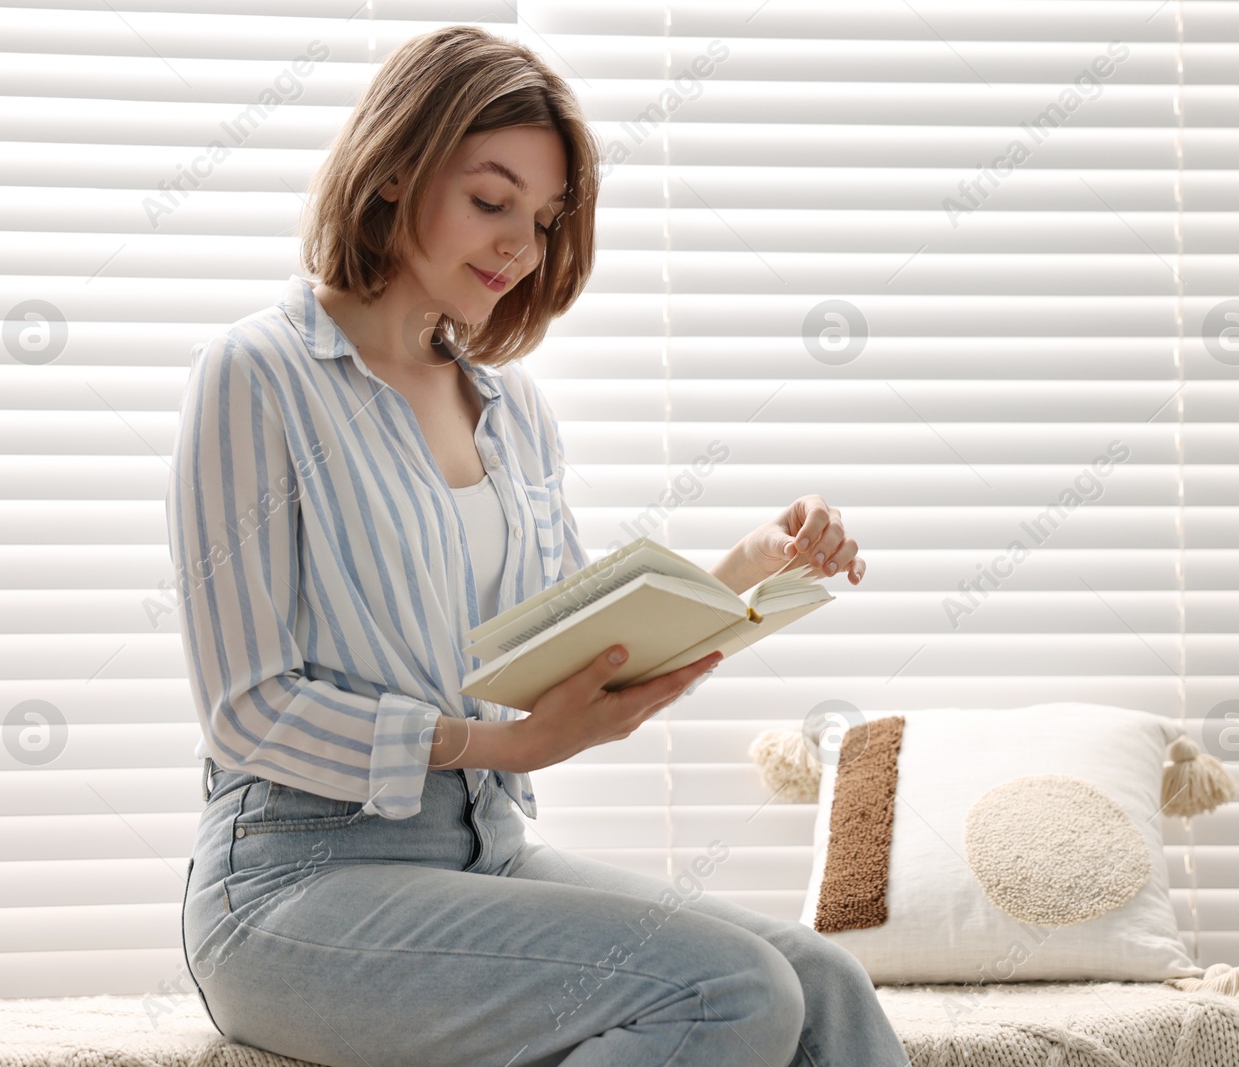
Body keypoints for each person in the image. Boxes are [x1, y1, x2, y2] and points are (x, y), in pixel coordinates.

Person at [169, 24, 902, 1067]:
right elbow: (247, 710)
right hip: (291, 884)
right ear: (391, 176)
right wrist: (500, 746)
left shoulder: (512, 411)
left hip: (483, 848)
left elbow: (558, 636)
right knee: (729, 991)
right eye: (489, 199)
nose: (521, 244)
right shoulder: (256, 375)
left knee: (822, 980)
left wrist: (748, 566)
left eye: (545, 218)